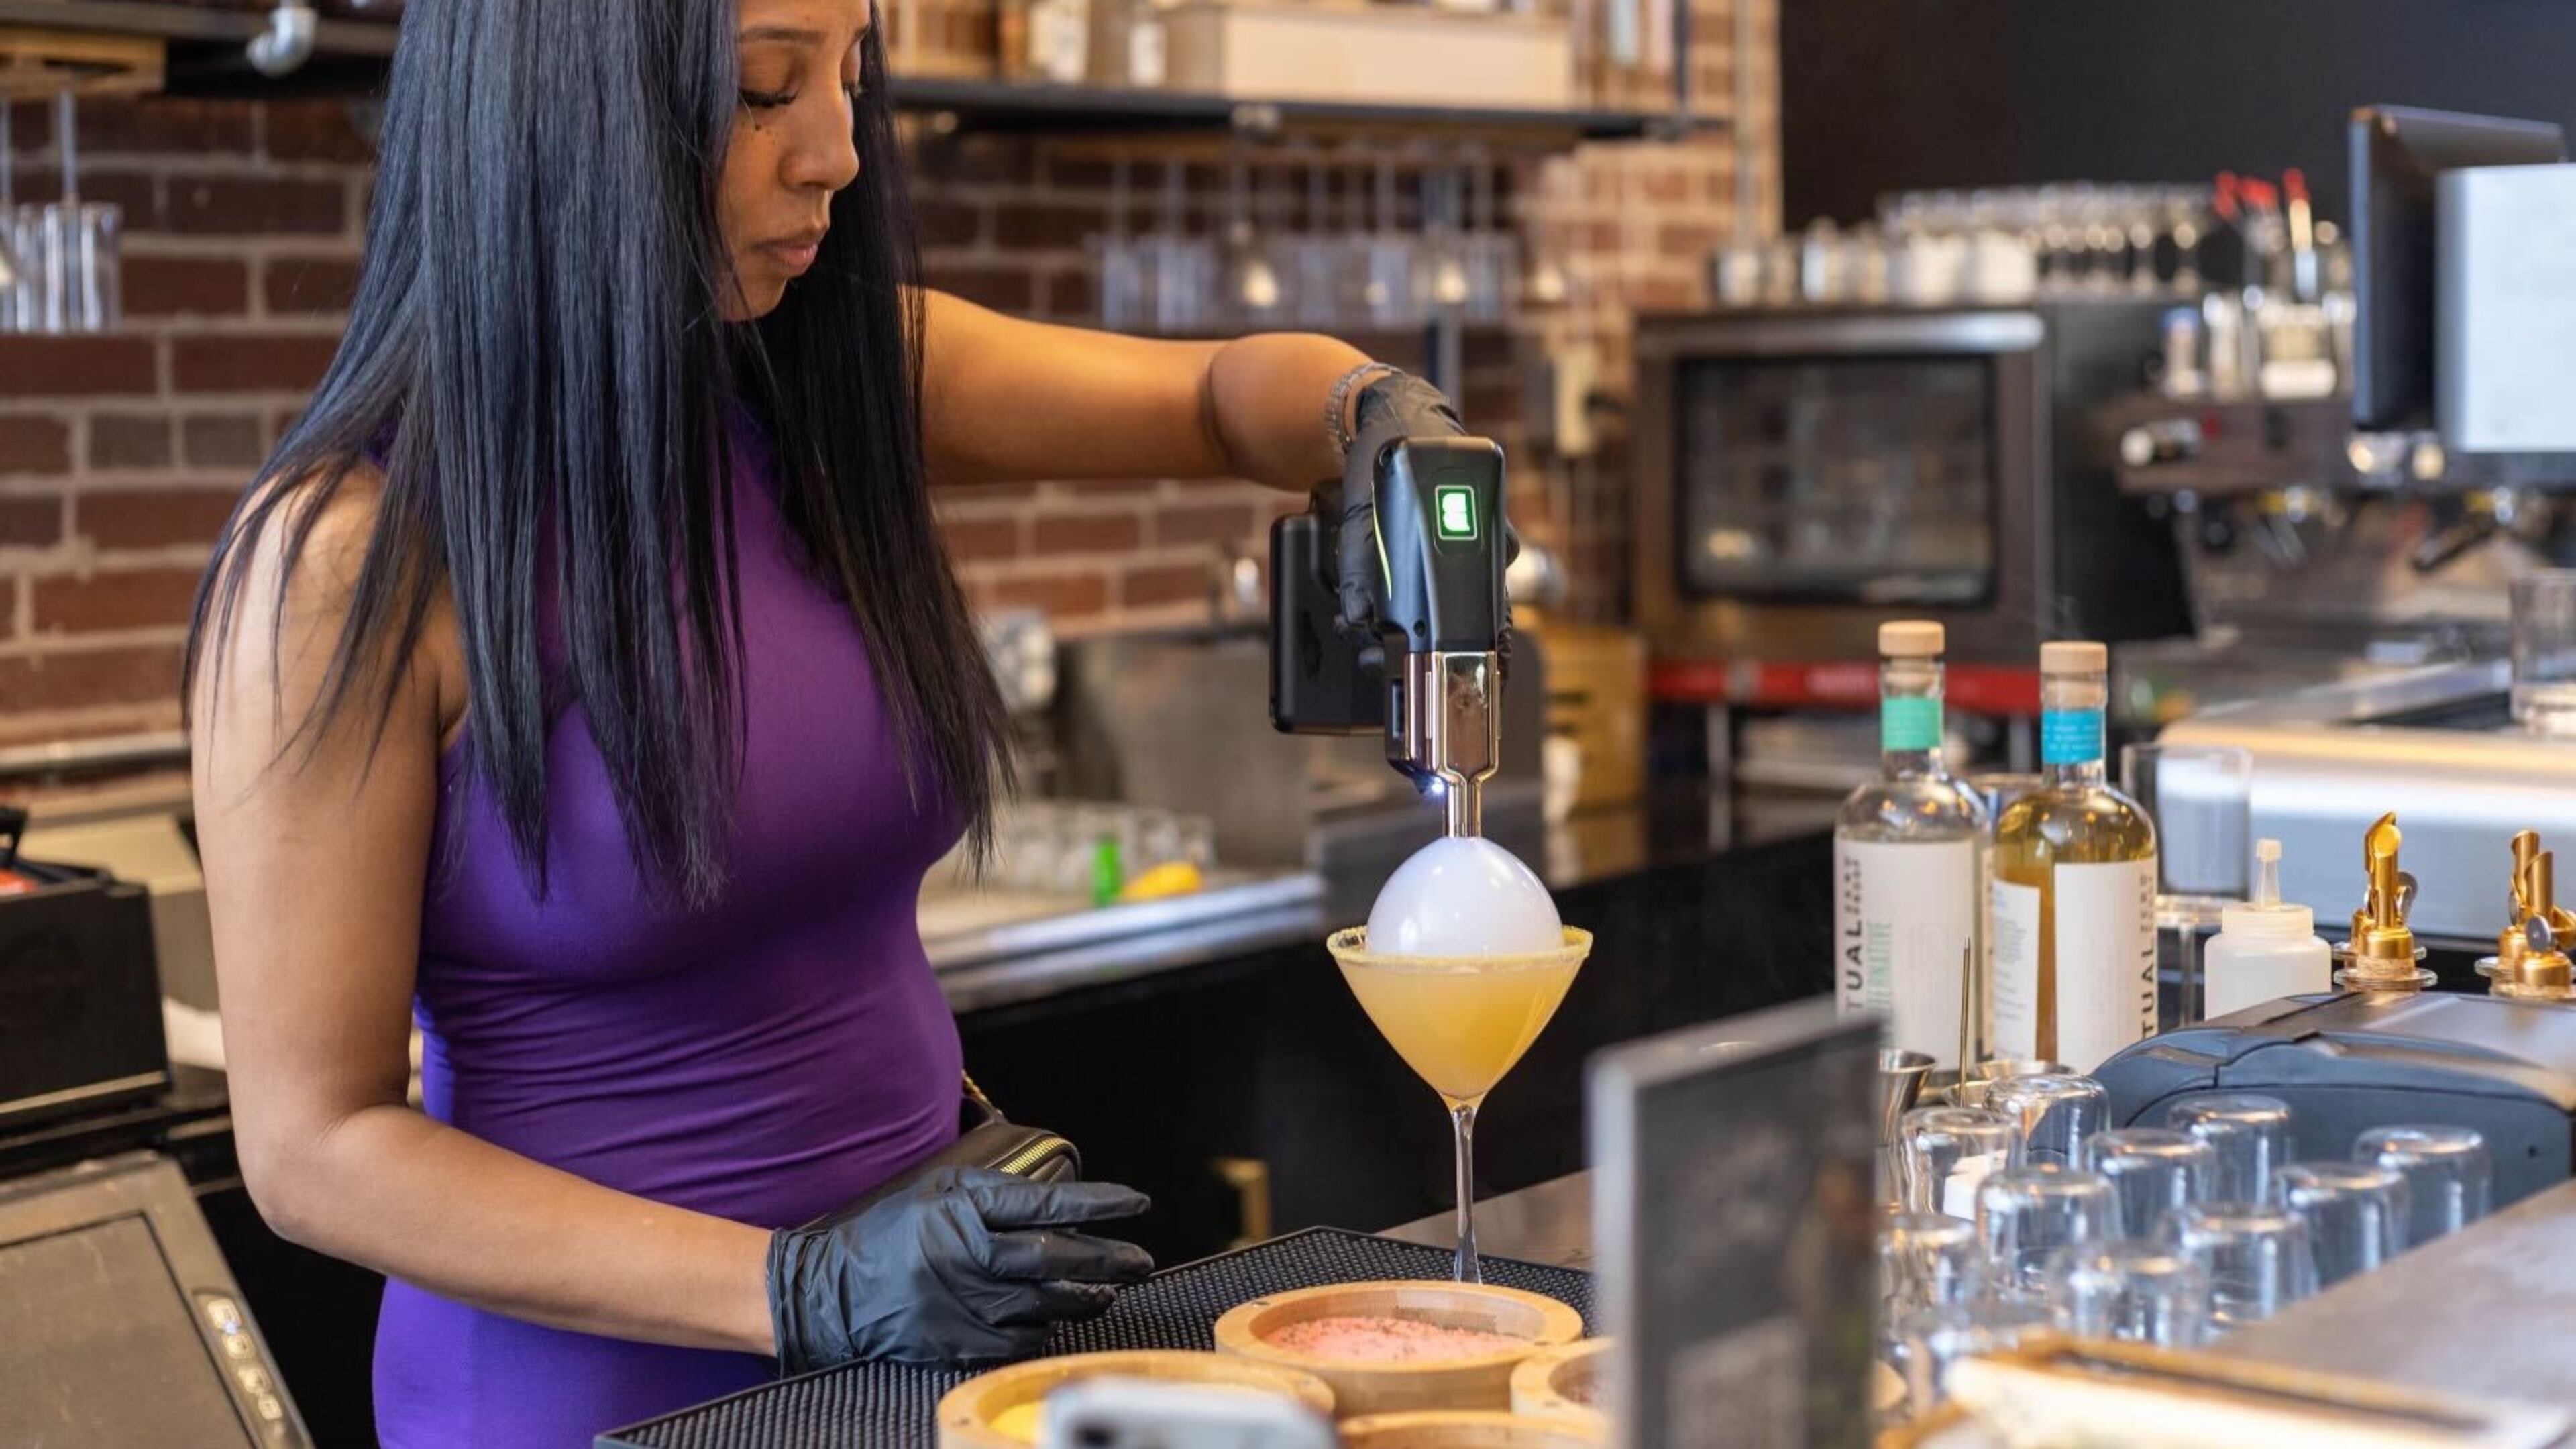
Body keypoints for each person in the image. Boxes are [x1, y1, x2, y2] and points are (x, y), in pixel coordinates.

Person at [182, 0, 1468, 1444]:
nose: (840, 153)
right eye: (762, 90)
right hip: (591, 1405)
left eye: (852, 77)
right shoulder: (345, 561)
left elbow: (1226, 401)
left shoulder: (829, 387)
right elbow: (312, 1151)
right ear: (557, 108)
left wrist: (1372, 413)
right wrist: (800, 1289)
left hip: (919, 1370)